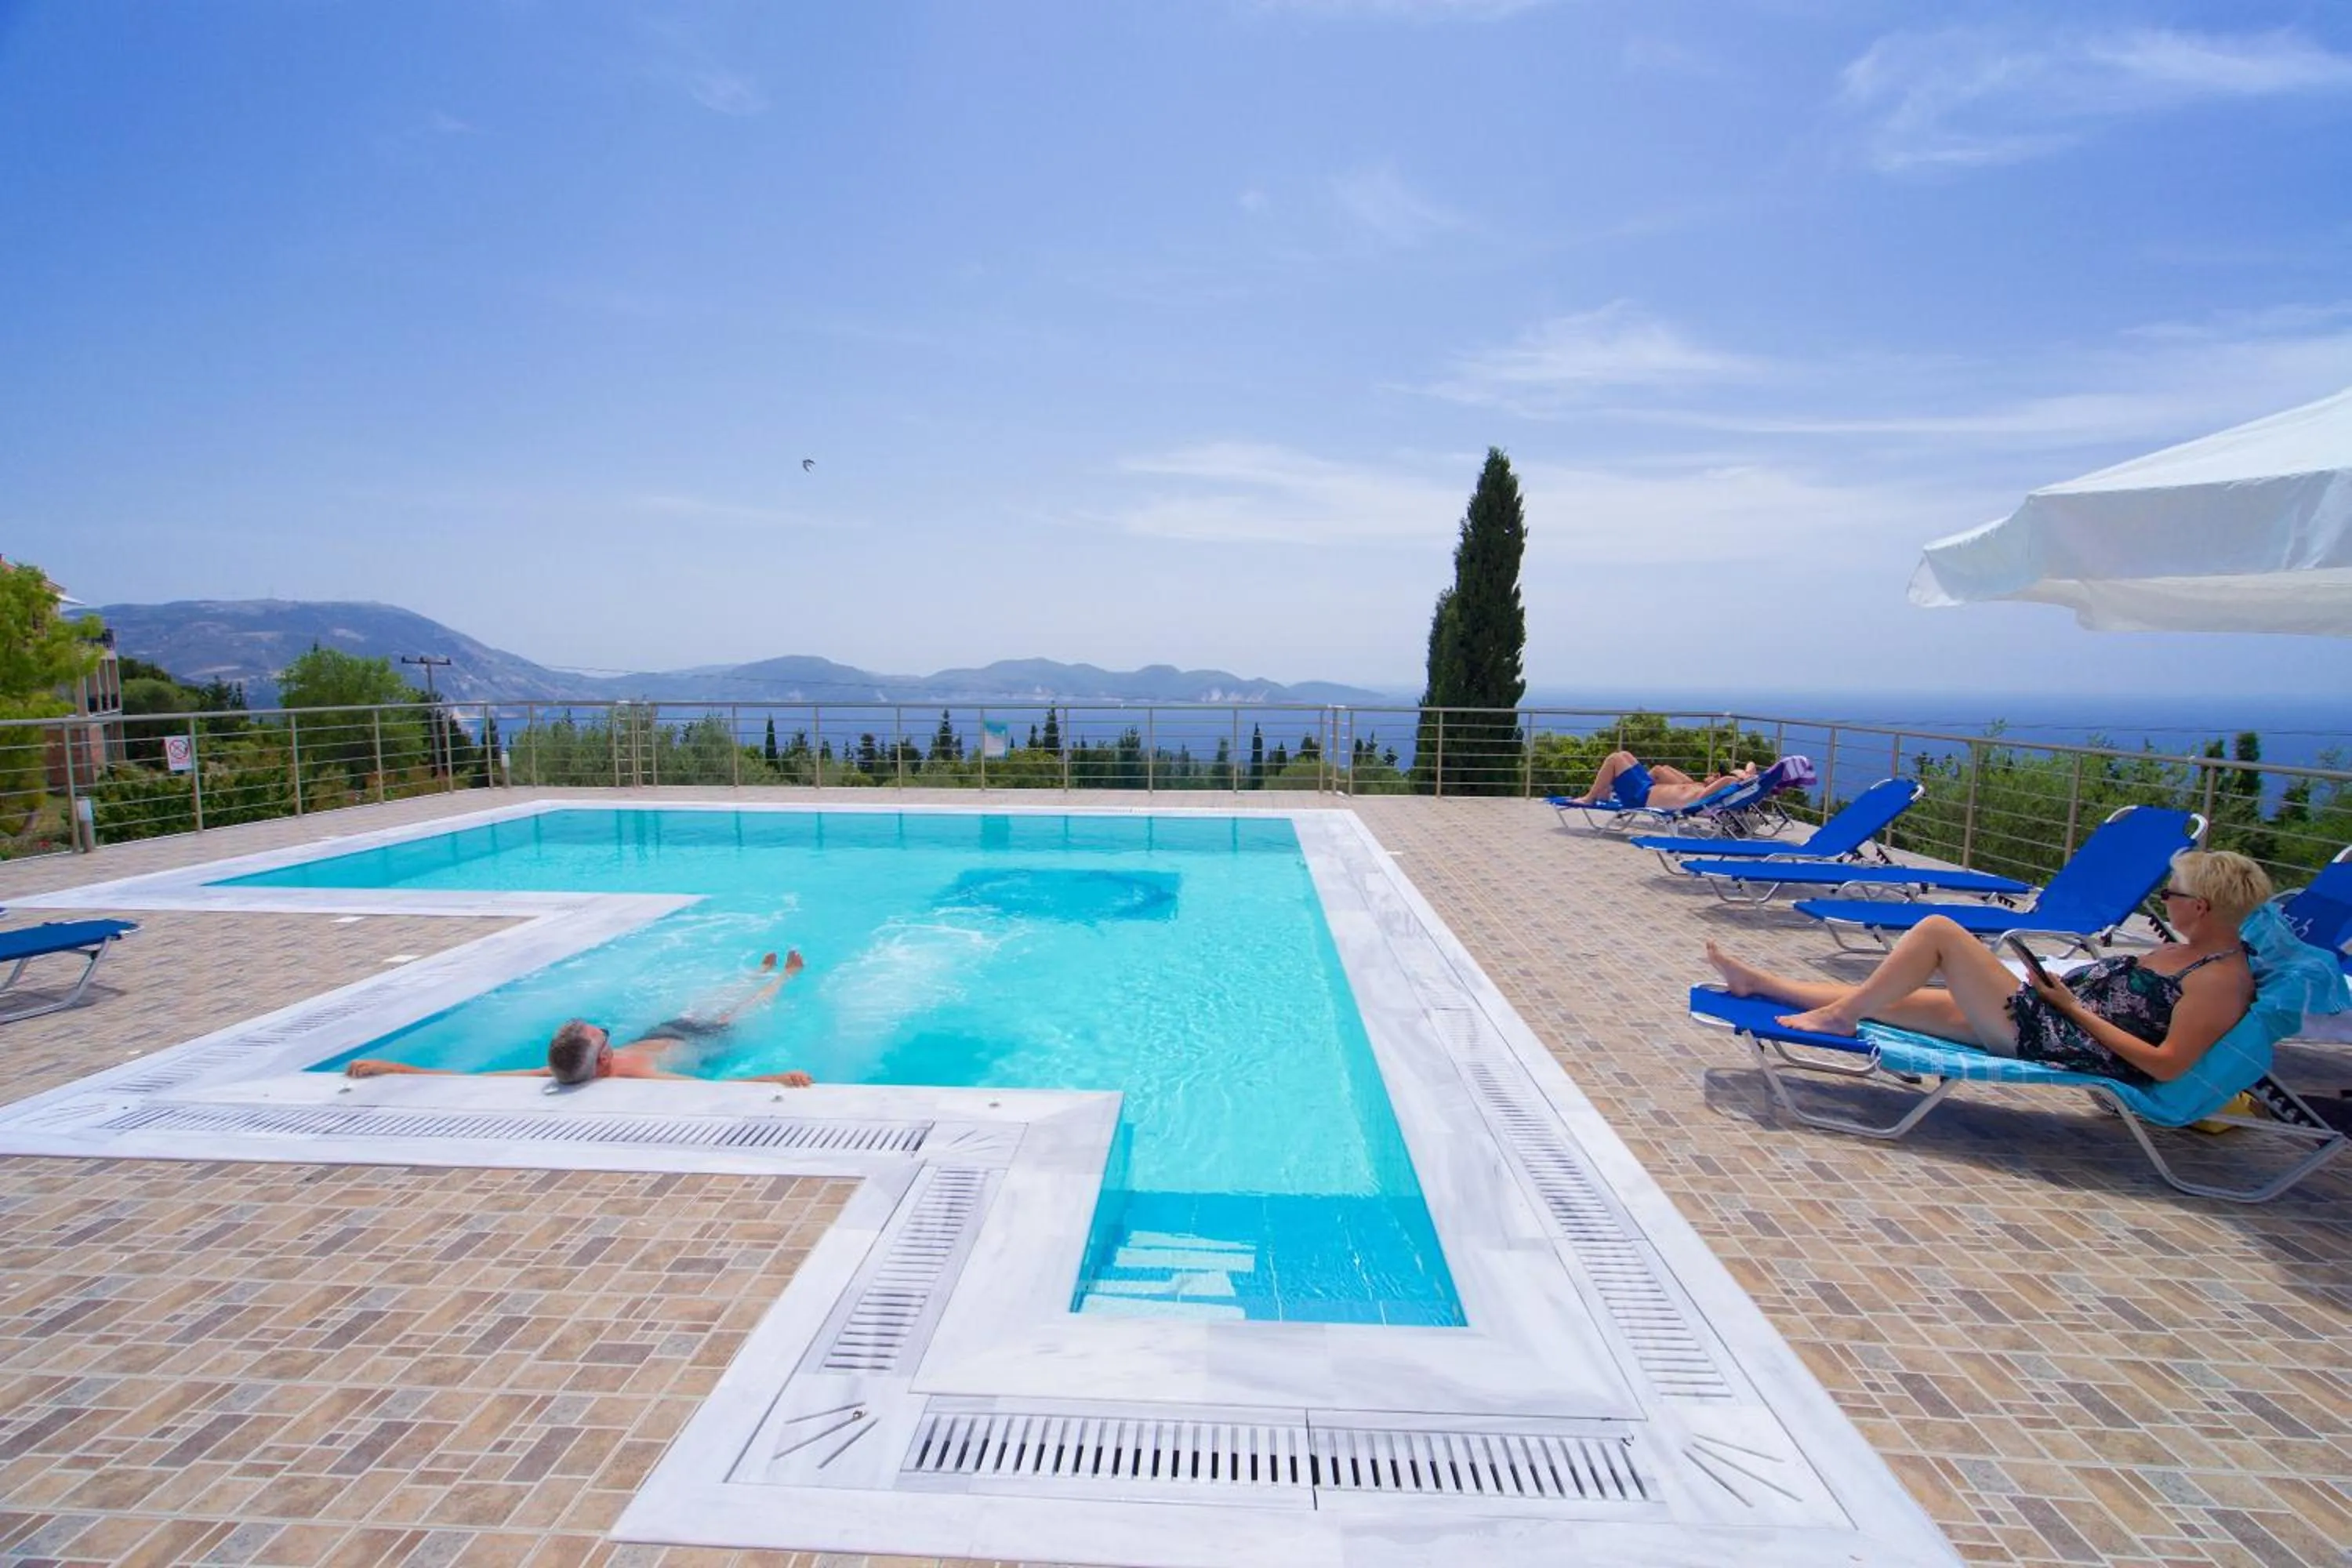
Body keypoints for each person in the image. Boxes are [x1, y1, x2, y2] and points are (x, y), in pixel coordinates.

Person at [1704, 850, 2274, 1086]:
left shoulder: (2218, 980)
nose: (2163, 901)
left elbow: (2167, 1066)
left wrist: (2070, 1008)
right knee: (1882, 997)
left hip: (2053, 1035)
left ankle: (1838, 1018)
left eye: (2171, 894)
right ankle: (1760, 984)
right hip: (2046, 1012)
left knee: (1938, 931)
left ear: (2201, 907)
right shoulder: (2189, 951)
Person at [348, 949, 816, 1087]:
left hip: (663, 1032)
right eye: (604, 1036)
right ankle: (784, 976)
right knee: (744, 1009)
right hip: (705, 1041)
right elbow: (712, 1090)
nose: (606, 1036)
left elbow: (471, 1080)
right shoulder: (639, 1073)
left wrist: (395, 1068)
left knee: (706, 999)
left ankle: (755, 970)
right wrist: (773, 1078)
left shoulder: (561, 1070)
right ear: (605, 1060)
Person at [1573, 750, 1759, 811]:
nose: (1714, 775)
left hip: (1640, 798)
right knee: (1625, 754)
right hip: (1646, 789)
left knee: (1614, 759)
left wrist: (1732, 778)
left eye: (1717, 776)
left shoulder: (1704, 793)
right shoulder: (1701, 787)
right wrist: (1745, 775)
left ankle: (1590, 798)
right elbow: (1751, 766)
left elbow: (1726, 781)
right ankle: (1604, 792)